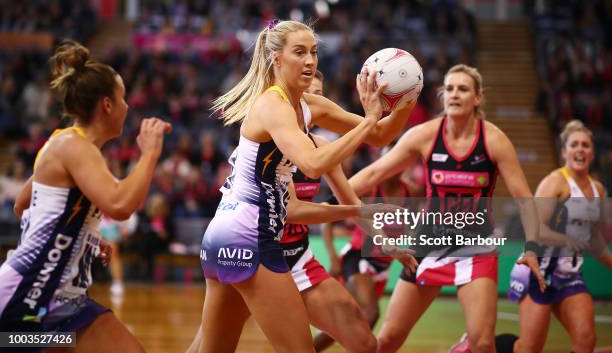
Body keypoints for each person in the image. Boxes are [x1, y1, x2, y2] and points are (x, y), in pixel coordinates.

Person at [196, 20, 413, 353]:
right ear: (276, 60)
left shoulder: (308, 106)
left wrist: (407, 97)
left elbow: (381, 135)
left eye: (313, 51)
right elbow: (313, 164)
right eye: (300, 52)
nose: (310, 60)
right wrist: (369, 119)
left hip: (225, 236)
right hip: (251, 236)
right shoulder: (273, 104)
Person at [349, 64, 545, 353]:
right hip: (428, 245)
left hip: (475, 248)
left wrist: (531, 248)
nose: (454, 94)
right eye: (449, 89)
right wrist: (333, 198)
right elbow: (374, 174)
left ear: (478, 98)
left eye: (463, 89)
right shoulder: (425, 135)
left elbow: (525, 199)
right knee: (388, 339)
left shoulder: (493, 139)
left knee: (482, 345)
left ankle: (466, 347)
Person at [0, 40, 171, 352]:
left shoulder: (66, 144)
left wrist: (85, 237)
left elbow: (22, 204)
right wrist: (149, 155)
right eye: (122, 98)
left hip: (64, 300)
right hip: (30, 298)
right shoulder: (73, 147)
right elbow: (119, 205)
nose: (128, 106)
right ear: (107, 104)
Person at [503, 120, 611, 353]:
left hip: (570, 276)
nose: (580, 149)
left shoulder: (598, 190)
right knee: (529, 348)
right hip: (537, 271)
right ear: (564, 152)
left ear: (592, 153)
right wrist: (565, 239)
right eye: (574, 145)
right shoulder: (555, 182)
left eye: (585, 145)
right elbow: (536, 228)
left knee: (586, 341)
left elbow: (594, 240)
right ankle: (478, 346)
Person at [316, 169, 410, 352]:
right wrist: (333, 258)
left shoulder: (411, 191)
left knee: (348, 322)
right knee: (371, 313)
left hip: (383, 265)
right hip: (358, 258)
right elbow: (326, 216)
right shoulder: (369, 190)